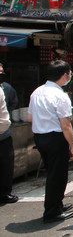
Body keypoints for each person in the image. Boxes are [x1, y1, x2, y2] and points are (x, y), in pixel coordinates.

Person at [27, 60, 73, 223]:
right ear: (64, 75)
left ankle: (57, 204)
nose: (70, 76)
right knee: (58, 175)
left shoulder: (37, 92)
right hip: (55, 138)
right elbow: (66, 125)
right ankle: (52, 212)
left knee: (53, 172)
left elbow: (29, 117)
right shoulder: (60, 95)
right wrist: (72, 146)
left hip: (40, 137)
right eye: (69, 73)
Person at [0, 62, 18, 205]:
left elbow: (12, 103)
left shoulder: (6, 88)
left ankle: (5, 193)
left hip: (4, 134)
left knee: (6, 165)